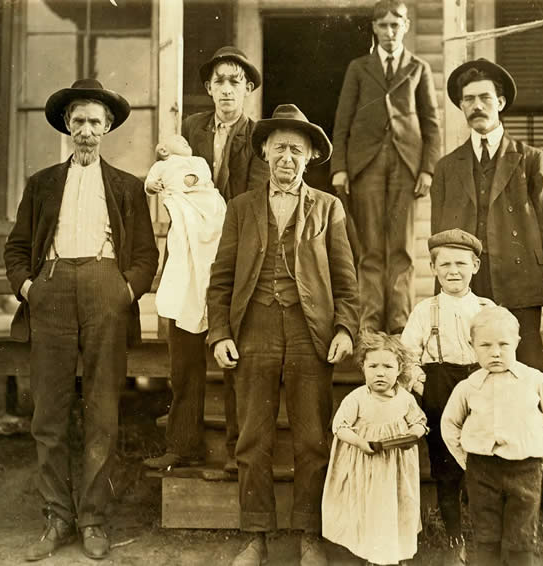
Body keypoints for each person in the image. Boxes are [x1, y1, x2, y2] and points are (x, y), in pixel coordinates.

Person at [4, 79, 159, 561]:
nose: (87, 131)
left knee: (101, 411)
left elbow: (145, 255)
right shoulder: (42, 183)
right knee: (47, 411)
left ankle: (92, 518)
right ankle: (56, 516)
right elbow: (15, 249)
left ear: (108, 127)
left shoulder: (128, 187)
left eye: (95, 122)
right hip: (50, 292)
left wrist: (124, 290)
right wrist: (30, 289)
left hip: (104, 291)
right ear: (66, 127)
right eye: (78, 122)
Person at [207, 104, 359, 566]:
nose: (286, 158)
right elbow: (221, 279)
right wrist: (219, 334)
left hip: (309, 332)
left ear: (310, 156)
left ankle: (309, 534)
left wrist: (345, 328)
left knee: (312, 438)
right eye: (278, 149)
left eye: (296, 149)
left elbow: (347, 279)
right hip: (253, 330)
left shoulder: (329, 208)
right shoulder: (241, 208)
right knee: (253, 437)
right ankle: (256, 534)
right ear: (265, 154)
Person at [430, 58, 543, 524]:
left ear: (501, 103)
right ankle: (481, 487)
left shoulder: (531, 159)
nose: (476, 106)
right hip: (468, 290)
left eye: (484, 98)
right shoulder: (448, 167)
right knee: (470, 380)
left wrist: (517, 268)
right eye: (467, 100)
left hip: (517, 288)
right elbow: (441, 238)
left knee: (529, 378)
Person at [145, 46, 268, 474]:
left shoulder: (257, 137)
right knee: (184, 353)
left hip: (231, 254)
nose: (227, 89)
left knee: (234, 352)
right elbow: (172, 176)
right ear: (208, 88)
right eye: (220, 81)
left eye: (236, 81)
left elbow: (253, 201)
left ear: (249, 89)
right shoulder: (192, 129)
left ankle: (239, 450)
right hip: (187, 255)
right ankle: (183, 444)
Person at [331, 0, 441, 334]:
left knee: (402, 250)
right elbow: (342, 122)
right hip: (366, 166)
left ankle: (399, 330)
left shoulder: (418, 68)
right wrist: (340, 167)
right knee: (370, 249)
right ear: (374, 29)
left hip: (406, 166)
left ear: (406, 27)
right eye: (383, 26)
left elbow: (431, 123)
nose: (390, 32)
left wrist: (427, 169)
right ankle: (369, 330)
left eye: (396, 25)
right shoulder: (359, 68)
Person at [441, 306, 543, 566]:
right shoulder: (468, 386)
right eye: (485, 345)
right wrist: (467, 458)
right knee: (486, 532)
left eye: (503, 344)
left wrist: (542, 447)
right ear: (472, 346)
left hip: (525, 468)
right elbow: (450, 424)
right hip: (482, 469)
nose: (495, 352)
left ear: (517, 343)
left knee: (521, 533)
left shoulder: (533, 380)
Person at [400, 228, 493, 565]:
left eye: (461, 263)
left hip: (479, 389)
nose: (453, 271)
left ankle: (485, 537)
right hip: (439, 387)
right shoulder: (425, 311)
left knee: (481, 461)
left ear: (476, 266)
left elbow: (503, 346)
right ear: (434, 268)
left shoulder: (486, 308)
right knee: (446, 466)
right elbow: (408, 355)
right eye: (445, 264)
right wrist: (424, 387)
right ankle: (455, 539)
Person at [321, 331, 427, 566]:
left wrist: (412, 436)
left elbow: (420, 423)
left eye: (388, 366)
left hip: (396, 469)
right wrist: (361, 442)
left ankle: (395, 554)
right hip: (366, 468)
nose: (380, 372)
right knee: (369, 509)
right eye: (373, 366)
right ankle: (370, 553)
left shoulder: (405, 399)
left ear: (400, 369)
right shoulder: (357, 398)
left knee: (395, 507)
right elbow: (340, 426)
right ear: (363, 368)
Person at [145, 134, 226, 334]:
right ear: (164, 150)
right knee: (182, 239)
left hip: (203, 199)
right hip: (180, 202)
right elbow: (150, 182)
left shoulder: (196, 161)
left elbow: (205, 174)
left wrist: (194, 178)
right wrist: (152, 186)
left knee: (213, 223)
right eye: (180, 141)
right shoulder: (160, 166)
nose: (185, 143)